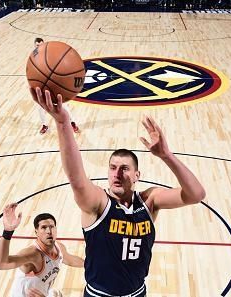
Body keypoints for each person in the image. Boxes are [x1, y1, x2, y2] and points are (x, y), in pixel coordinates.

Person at [30, 87, 206, 296]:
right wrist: (62, 123)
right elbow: (76, 179)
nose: (117, 174)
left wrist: (167, 155)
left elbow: (196, 195)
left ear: (137, 175)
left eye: (124, 169)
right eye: (112, 168)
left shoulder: (149, 201)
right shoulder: (99, 202)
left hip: (137, 292)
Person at [0, 203, 84, 297]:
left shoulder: (59, 247)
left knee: (56, 294)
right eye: (44, 227)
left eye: (51, 227)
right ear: (36, 232)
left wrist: (90, 264)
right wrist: (7, 232)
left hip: (43, 292)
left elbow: (68, 259)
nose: (49, 231)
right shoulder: (32, 254)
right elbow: (0, 263)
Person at [33, 38, 80, 135]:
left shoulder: (49, 55)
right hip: (43, 86)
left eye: (40, 45)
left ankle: (72, 123)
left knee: (63, 106)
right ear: (35, 46)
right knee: (40, 108)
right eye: (37, 45)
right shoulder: (34, 58)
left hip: (54, 84)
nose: (39, 47)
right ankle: (44, 125)